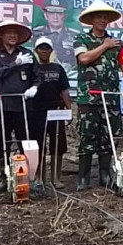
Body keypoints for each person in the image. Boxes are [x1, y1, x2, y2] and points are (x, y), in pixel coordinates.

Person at [74, 0, 123, 190]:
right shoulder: (81, 40)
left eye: (105, 18)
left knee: (108, 138)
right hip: (88, 98)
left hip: (110, 98)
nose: (102, 20)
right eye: (98, 17)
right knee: (87, 138)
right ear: (91, 20)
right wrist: (104, 45)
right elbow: (84, 59)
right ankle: (83, 178)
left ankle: (105, 175)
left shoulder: (117, 43)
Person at [0, 20, 40, 193]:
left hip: (23, 106)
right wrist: (14, 64)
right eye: (9, 32)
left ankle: (27, 177)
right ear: (1, 35)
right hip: (1, 106)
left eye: (15, 33)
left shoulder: (26, 53)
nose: (12, 36)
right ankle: (4, 176)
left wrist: (35, 87)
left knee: (25, 141)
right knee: (1, 143)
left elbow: (37, 76)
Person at [32, 37, 71, 188]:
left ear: (51, 50)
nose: (44, 51)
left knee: (58, 145)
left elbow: (64, 90)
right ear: (36, 51)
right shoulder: (32, 68)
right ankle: (39, 178)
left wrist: (68, 109)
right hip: (36, 111)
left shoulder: (58, 68)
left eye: (47, 48)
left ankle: (56, 178)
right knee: (38, 145)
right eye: (41, 48)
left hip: (56, 111)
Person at [33, 0, 80, 74]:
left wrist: (70, 65)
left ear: (64, 16)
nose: (55, 17)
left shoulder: (74, 35)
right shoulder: (36, 33)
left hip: (70, 75)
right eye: (51, 13)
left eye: (59, 13)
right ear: (45, 15)